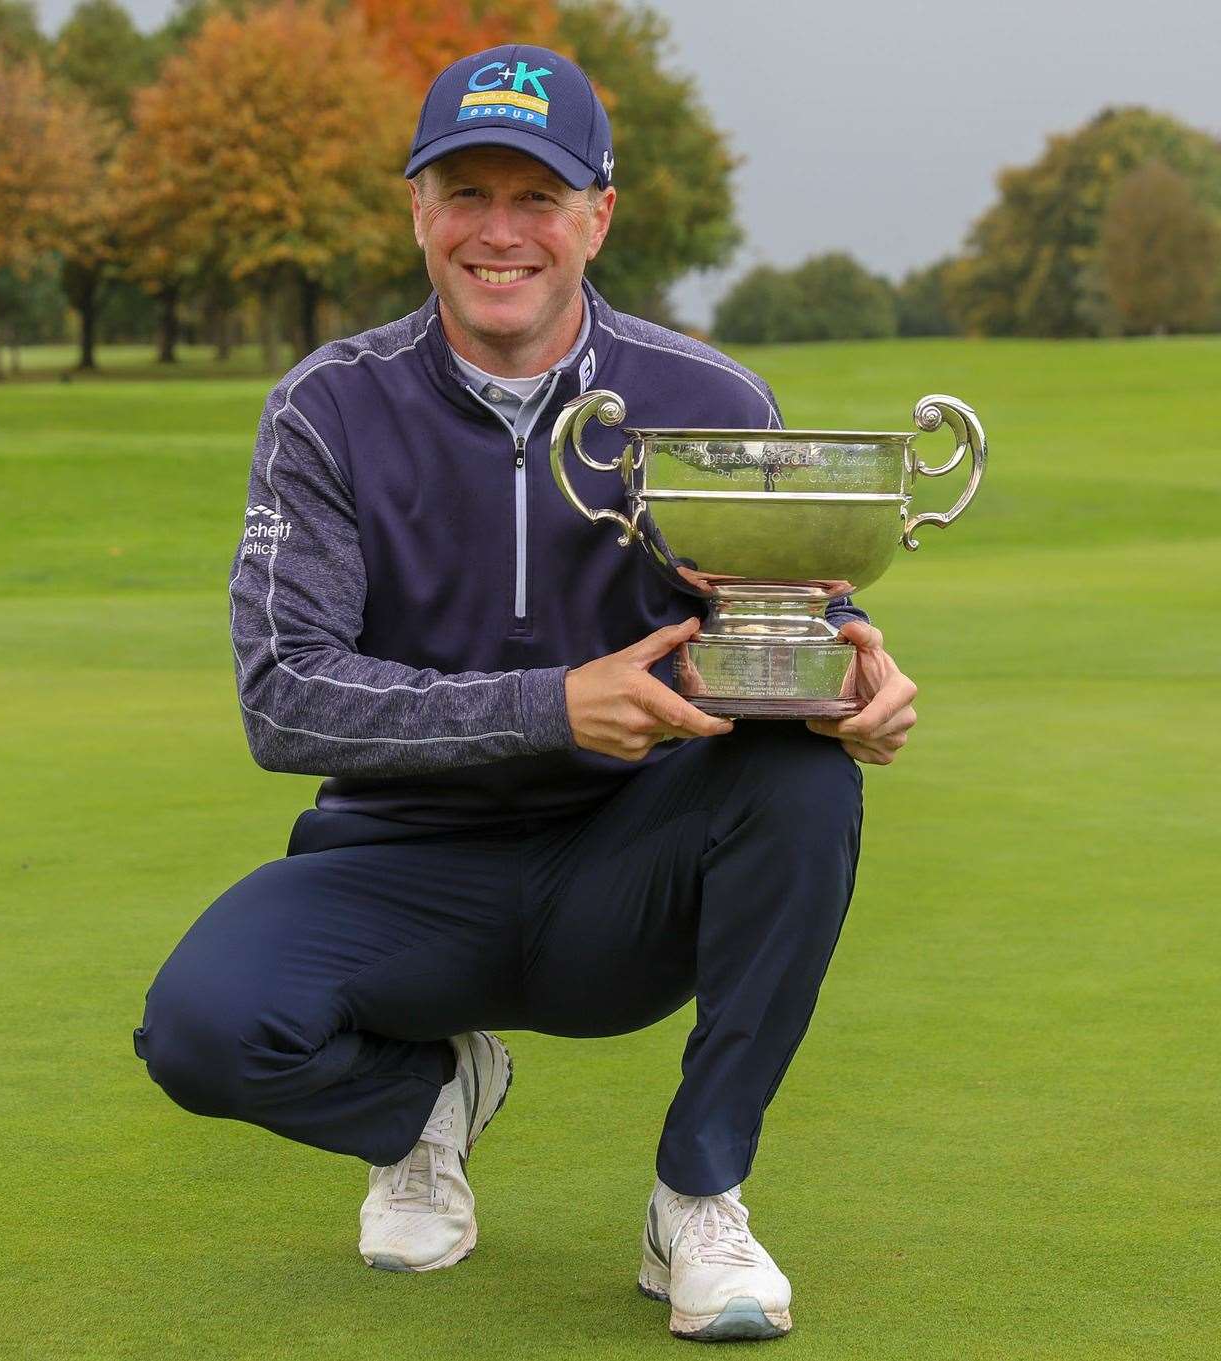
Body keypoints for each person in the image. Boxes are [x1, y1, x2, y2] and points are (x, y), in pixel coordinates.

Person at [133, 43, 918, 1344]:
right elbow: (285, 696)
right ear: (417, 209)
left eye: (535, 196)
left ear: (596, 215)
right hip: (398, 871)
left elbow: (784, 618)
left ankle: (698, 1193)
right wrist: (551, 704)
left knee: (799, 777)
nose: (499, 233)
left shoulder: (704, 398)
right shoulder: (329, 410)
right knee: (201, 1029)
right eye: (465, 192)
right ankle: (422, 1104)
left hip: (625, 876)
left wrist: (852, 674)